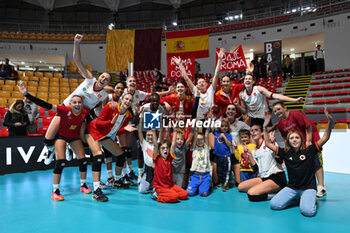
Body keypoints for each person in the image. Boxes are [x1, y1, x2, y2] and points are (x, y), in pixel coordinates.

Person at [43, 34, 112, 166]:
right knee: (48, 138)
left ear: (108, 83)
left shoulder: (103, 96)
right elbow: (78, 60)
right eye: (102, 77)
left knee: (77, 137)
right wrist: (76, 43)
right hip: (66, 108)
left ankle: (69, 147)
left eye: (107, 79)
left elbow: (102, 111)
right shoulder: (90, 79)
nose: (103, 79)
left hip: (80, 115)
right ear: (99, 77)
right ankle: (50, 150)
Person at [18, 81, 92, 201]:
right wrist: (27, 94)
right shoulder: (64, 109)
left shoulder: (85, 113)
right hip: (61, 136)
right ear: (70, 103)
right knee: (61, 161)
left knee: (83, 160)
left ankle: (83, 185)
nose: (77, 104)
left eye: (79, 102)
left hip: (74, 138)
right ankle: (55, 191)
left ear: (82, 104)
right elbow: (45, 104)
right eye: (74, 102)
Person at [266, 108, 334, 217]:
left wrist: (330, 122)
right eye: (291, 138)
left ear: (301, 140)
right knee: (274, 204)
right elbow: (268, 144)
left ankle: (309, 198)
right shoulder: (285, 152)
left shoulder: (309, 150)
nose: (294, 140)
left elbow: (326, 137)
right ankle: (298, 198)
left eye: (297, 137)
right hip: (292, 188)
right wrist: (265, 128)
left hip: (308, 188)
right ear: (288, 141)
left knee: (308, 212)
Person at [271, 101, 327, 197]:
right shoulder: (280, 123)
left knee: (316, 162)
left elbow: (308, 126)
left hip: (311, 140)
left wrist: (308, 141)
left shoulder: (295, 113)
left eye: (279, 109)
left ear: (285, 108)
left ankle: (321, 186)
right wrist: (288, 147)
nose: (277, 112)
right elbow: (285, 137)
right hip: (298, 144)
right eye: (275, 111)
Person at [86, 93, 137, 198]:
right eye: (126, 99)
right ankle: (96, 190)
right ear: (122, 99)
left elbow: (116, 131)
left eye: (130, 100)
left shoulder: (128, 116)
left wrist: (124, 129)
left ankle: (117, 181)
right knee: (98, 156)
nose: (128, 101)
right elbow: (98, 123)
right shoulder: (110, 106)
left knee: (121, 155)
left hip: (106, 135)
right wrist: (110, 122)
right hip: (94, 130)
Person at [237, 122, 287, 202]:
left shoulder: (270, 143)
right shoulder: (254, 150)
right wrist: (249, 155)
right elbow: (256, 169)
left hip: (276, 177)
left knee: (251, 194)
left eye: (256, 130)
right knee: (240, 187)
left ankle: (278, 194)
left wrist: (274, 145)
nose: (253, 132)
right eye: (252, 131)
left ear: (262, 132)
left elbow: (280, 161)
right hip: (264, 178)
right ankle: (267, 188)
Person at [172, 48, 223, 121]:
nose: (201, 83)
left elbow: (216, 74)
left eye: (203, 82)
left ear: (206, 84)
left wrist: (220, 59)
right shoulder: (195, 91)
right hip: (199, 119)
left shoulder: (211, 90)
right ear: (197, 85)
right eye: (199, 82)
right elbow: (186, 78)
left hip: (210, 118)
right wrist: (180, 64)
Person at [237, 73, 303, 126]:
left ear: (253, 81)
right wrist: (237, 105)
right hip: (253, 120)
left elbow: (275, 96)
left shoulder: (259, 89)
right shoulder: (242, 94)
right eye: (246, 79)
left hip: (265, 118)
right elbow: (244, 111)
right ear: (244, 81)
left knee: (269, 140)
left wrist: (294, 100)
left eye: (249, 79)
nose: (247, 80)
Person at [151, 138, 189, 203]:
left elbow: (173, 144)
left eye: (167, 148)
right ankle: (157, 196)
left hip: (171, 186)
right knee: (175, 197)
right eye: (162, 148)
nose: (165, 149)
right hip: (161, 188)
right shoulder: (156, 158)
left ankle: (170, 193)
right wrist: (154, 131)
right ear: (159, 150)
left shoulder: (170, 158)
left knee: (185, 195)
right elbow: (155, 145)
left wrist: (175, 131)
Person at [225, 103, 250, 184]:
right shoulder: (221, 123)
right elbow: (212, 130)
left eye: (233, 109)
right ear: (226, 111)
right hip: (224, 155)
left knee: (238, 182)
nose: (230, 111)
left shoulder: (240, 124)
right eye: (229, 109)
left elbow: (251, 131)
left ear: (236, 112)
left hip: (236, 154)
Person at [186, 126, 211, 197]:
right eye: (198, 140)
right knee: (189, 193)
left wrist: (208, 124)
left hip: (205, 175)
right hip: (195, 175)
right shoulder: (194, 148)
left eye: (201, 139)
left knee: (203, 194)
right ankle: (198, 187)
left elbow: (206, 135)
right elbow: (194, 140)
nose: (200, 141)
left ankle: (205, 185)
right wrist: (195, 130)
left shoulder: (206, 148)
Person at [211, 119, 232, 191]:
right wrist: (209, 118)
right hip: (218, 157)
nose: (224, 127)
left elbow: (229, 144)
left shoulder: (228, 135)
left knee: (226, 171)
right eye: (222, 126)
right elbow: (210, 127)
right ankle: (221, 182)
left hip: (226, 157)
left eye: (226, 126)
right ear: (219, 127)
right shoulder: (216, 133)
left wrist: (224, 137)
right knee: (219, 171)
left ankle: (226, 183)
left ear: (228, 127)